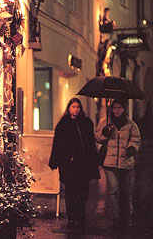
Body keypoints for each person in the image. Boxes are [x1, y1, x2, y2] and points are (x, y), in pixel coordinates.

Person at [49, 97, 100, 231]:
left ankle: (80, 216)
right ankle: (72, 218)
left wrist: (93, 162)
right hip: (69, 165)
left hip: (83, 164)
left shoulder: (86, 123)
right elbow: (58, 144)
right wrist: (56, 160)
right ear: (69, 108)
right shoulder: (63, 124)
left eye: (78, 107)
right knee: (71, 192)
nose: (76, 109)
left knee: (83, 191)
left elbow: (90, 145)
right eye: (73, 107)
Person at [95, 99, 141, 232]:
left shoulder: (131, 125)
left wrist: (132, 148)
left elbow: (136, 139)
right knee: (113, 191)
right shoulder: (105, 122)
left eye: (119, 107)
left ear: (124, 109)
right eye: (114, 107)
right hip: (109, 163)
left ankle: (126, 217)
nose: (117, 110)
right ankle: (115, 219)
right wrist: (105, 133)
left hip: (125, 163)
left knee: (125, 192)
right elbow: (97, 137)